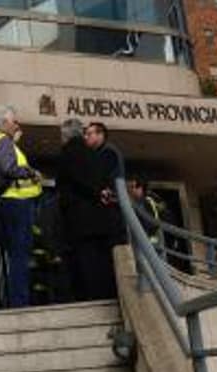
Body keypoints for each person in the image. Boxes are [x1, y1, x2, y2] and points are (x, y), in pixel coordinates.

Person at [0, 106, 43, 309]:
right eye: (14, 121)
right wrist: (32, 172)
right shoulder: (2, 141)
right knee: (20, 255)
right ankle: (20, 303)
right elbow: (9, 168)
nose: (18, 125)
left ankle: (19, 300)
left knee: (15, 255)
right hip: (15, 203)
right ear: (4, 124)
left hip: (5, 203)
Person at [56, 119, 118, 302]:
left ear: (66, 136)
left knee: (85, 265)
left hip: (79, 221)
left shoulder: (67, 154)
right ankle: (107, 296)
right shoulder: (94, 154)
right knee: (102, 263)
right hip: (100, 219)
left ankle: (91, 299)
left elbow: (73, 181)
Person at [85, 121, 126, 244]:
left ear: (100, 135)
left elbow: (99, 180)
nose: (85, 137)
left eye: (89, 134)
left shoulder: (107, 153)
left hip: (109, 213)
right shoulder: (99, 153)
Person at [127, 176, 165, 245]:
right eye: (131, 187)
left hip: (153, 234)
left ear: (141, 188)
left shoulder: (149, 199)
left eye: (135, 187)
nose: (133, 190)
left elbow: (156, 217)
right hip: (142, 236)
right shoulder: (134, 201)